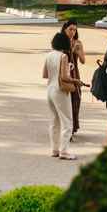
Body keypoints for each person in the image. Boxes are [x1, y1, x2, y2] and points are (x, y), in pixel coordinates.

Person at [43, 30, 79, 159]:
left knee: (54, 121)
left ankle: (54, 149)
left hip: (50, 89)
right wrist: (75, 80)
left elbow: (45, 75)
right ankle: (64, 151)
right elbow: (64, 77)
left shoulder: (49, 55)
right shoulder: (63, 56)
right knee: (67, 121)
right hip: (60, 91)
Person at [62, 20, 85, 136]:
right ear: (65, 29)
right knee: (65, 100)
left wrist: (78, 51)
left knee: (76, 98)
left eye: (74, 29)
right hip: (64, 73)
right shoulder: (60, 42)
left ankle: (73, 126)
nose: (72, 32)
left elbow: (83, 60)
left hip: (74, 73)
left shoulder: (78, 42)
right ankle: (66, 127)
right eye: (70, 29)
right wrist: (71, 50)